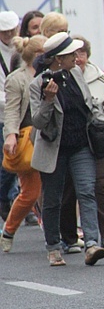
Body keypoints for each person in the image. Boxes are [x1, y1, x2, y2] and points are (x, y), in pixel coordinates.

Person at [30, 32, 104, 267]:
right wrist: (48, 100)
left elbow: (88, 106)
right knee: (53, 199)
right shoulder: (38, 85)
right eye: (71, 54)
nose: (77, 58)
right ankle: (54, 247)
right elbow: (38, 122)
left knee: (87, 191)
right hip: (54, 149)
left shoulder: (76, 74)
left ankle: (92, 244)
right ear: (58, 58)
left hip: (80, 145)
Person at [58, 36, 104, 255]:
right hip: (75, 139)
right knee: (71, 190)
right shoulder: (62, 78)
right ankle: (69, 236)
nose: (79, 58)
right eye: (74, 54)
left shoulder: (98, 77)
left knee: (101, 185)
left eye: (82, 53)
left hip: (100, 136)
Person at [0, 35, 46, 252]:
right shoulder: (17, 79)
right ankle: (9, 230)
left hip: (50, 137)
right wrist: (10, 135)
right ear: (34, 55)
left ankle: (64, 235)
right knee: (30, 192)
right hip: (28, 138)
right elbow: (11, 110)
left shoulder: (53, 73)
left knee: (62, 187)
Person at [0, 11, 20, 221]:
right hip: (2, 114)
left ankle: (16, 198)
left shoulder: (21, 48)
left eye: (11, 30)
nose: (8, 35)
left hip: (19, 112)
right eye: (4, 32)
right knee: (7, 162)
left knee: (20, 159)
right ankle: (6, 196)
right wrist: (14, 98)